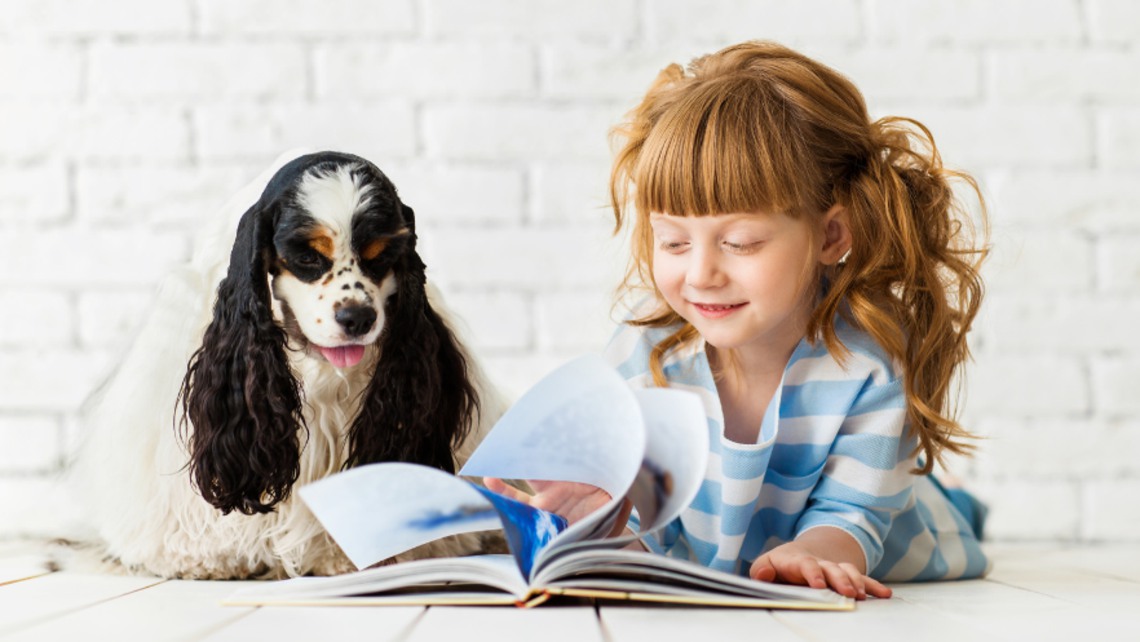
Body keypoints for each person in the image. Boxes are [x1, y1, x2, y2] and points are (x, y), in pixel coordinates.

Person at [487, 40, 990, 601]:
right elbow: (651, 543)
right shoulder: (641, 353)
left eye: (739, 242)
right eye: (673, 241)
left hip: (895, 531)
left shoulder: (867, 363)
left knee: (938, 504)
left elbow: (855, 515)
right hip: (716, 547)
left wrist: (814, 554)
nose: (701, 273)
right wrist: (599, 526)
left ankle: (958, 496)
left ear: (830, 235)